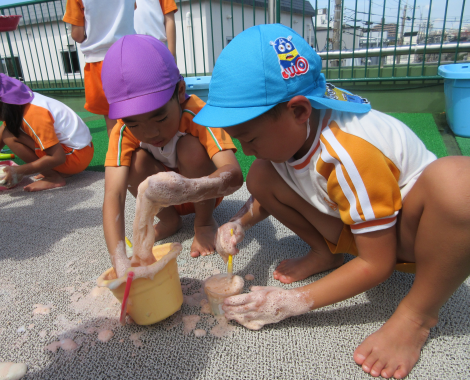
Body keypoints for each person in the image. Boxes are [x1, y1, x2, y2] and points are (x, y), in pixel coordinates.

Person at [194, 24, 470, 379]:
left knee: (459, 184)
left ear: (299, 111)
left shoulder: (348, 154)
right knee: (261, 174)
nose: (245, 151)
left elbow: (378, 262)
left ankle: (417, 315)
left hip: (416, 239)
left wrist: (292, 302)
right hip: (365, 224)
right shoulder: (292, 132)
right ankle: (327, 253)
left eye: (250, 138)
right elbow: (271, 186)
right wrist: (239, 222)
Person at [101, 35, 243, 267]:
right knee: (134, 162)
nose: (149, 133)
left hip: (203, 193)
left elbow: (234, 174)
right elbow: (113, 194)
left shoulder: (198, 114)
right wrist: (118, 259)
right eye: (134, 123)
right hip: (162, 200)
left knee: (190, 148)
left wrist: (190, 188)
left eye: (160, 117)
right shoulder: (122, 131)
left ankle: (204, 223)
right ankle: (169, 221)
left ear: (180, 92)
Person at [0, 74, 93, 192]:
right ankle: (56, 171)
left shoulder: (33, 114)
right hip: (81, 151)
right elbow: (4, 127)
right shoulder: (22, 103)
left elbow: (58, 157)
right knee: (7, 129)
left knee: (10, 136)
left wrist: (19, 171)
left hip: (75, 157)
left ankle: (53, 177)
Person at [63, 0, 136, 136]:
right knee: (138, 109)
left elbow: (77, 35)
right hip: (130, 54)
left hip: (99, 60)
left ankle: (118, 154)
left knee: (111, 116)